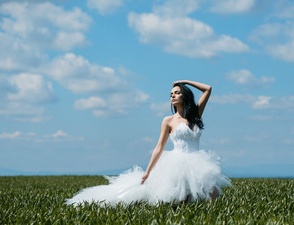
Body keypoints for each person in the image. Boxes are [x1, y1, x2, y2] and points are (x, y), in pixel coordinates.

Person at [66, 80, 231, 206]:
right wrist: (148, 171)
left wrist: (185, 82)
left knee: (212, 194)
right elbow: (159, 147)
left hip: (198, 162)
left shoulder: (195, 114)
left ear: (185, 96)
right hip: (177, 163)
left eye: (177, 93)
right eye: (171, 94)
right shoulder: (168, 120)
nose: (172, 95)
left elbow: (207, 89)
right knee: (180, 200)